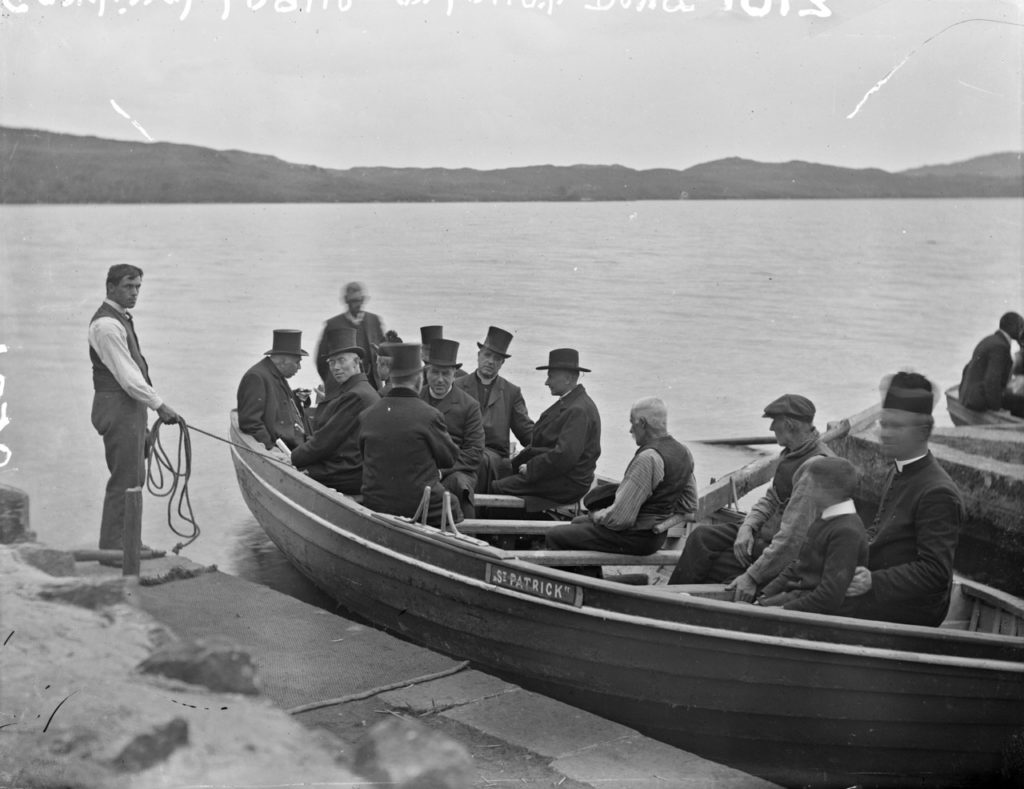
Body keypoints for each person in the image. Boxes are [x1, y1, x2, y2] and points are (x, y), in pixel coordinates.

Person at [667, 393, 832, 598]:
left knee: (715, 566)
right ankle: (670, 596)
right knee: (701, 537)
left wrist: (753, 577)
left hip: (787, 554)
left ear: (790, 425)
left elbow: (792, 539)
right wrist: (747, 526)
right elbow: (772, 498)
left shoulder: (814, 468)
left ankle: (673, 601)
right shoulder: (792, 452)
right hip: (765, 536)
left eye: (774, 422)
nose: (771, 428)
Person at [837, 372, 965, 627]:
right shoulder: (897, 470)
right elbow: (879, 532)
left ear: (923, 431)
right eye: (884, 424)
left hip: (912, 609)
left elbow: (935, 573)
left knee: (819, 603)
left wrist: (873, 581)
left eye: (896, 426)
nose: (885, 434)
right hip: (886, 590)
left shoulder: (938, 492)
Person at [88, 264, 180, 558]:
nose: (135, 292)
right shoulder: (106, 325)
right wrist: (159, 405)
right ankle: (116, 548)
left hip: (130, 408)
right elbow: (128, 377)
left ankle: (129, 544)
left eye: (138, 286)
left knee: (135, 476)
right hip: (117, 407)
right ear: (110, 287)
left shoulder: (121, 320)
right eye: (129, 286)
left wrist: (147, 410)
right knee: (126, 478)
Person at [543, 397, 696, 572]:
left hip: (635, 538)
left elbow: (620, 520)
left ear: (642, 423)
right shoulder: (684, 452)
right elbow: (689, 509)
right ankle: (592, 581)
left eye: (633, 424)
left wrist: (597, 516)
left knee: (555, 536)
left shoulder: (648, 458)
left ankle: (575, 588)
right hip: (656, 537)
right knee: (577, 522)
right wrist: (661, 524)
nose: (631, 430)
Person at [359, 343, 462, 526]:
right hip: (419, 506)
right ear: (419, 379)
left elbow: (363, 455)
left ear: (391, 377)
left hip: (376, 503)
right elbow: (449, 459)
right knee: (453, 503)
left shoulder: (367, 415)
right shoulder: (430, 415)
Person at [491, 348, 601, 511]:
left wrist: (532, 468)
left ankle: (499, 535)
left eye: (550, 376)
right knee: (501, 471)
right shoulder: (573, 402)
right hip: (560, 475)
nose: (546, 382)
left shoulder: (578, 410)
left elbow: (565, 455)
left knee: (498, 487)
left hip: (568, 483)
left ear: (568, 378)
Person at [755, 457, 867, 614]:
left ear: (823, 489)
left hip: (816, 613)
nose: (804, 490)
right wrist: (764, 594)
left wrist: (782, 610)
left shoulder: (846, 532)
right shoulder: (825, 517)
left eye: (808, 485)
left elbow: (829, 596)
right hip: (797, 598)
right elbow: (798, 565)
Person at [290, 327, 380, 494]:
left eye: (341, 360)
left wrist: (291, 458)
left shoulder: (355, 396)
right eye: (331, 362)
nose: (336, 367)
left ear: (356, 362)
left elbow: (324, 442)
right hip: (358, 469)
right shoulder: (363, 390)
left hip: (349, 473)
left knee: (290, 473)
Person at [453, 326, 534, 493]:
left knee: (487, 463)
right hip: (463, 454)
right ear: (478, 355)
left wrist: (551, 448)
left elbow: (527, 433)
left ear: (502, 363)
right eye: (487, 355)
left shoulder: (512, 392)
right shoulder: (458, 386)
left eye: (496, 358)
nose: (490, 361)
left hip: (496, 459)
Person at [420, 339, 485, 517]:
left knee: (460, 484)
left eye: (446, 373)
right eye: (435, 372)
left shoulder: (469, 406)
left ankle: (467, 536)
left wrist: (441, 472)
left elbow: (474, 452)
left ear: (454, 373)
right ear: (426, 371)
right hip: (420, 468)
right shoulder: (416, 397)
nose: (440, 380)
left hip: (455, 471)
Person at [237, 329, 309, 452]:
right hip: (284, 449)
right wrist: (269, 447)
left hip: (295, 444)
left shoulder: (275, 374)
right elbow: (250, 423)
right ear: (283, 361)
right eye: (297, 362)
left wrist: (297, 397)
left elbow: (279, 401)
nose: (299, 367)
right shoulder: (256, 377)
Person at [316, 282, 386, 396]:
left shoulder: (374, 321)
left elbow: (384, 352)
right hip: (341, 387)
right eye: (353, 301)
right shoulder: (332, 324)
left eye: (360, 300)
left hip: (372, 384)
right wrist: (333, 382)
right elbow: (321, 361)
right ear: (346, 301)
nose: (357, 304)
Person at [958, 311, 1024, 414]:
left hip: (968, 395)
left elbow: (967, 368)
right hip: (978, 400)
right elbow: (992, 381)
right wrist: (997, 409)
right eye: (1021, 326)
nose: (1022, 331)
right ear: (1012, 327)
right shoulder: (1000, 346)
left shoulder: (990, 340)